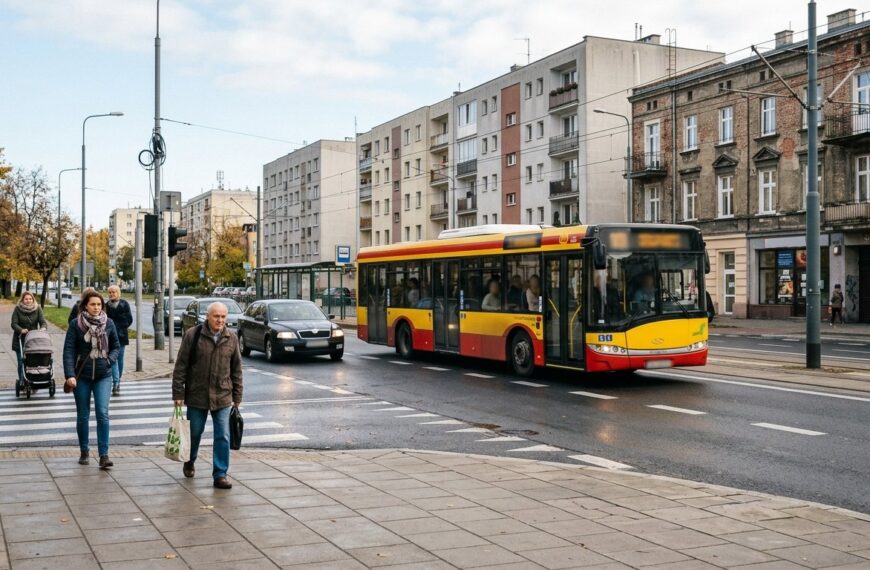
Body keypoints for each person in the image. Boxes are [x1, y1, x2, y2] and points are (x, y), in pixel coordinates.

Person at [172, 302, 243, 490]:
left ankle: (220, 474)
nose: (220, 320)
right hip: (197, 394)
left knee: (223, 435)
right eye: (216, 316)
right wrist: (178, 393)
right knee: (195, 433)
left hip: (223, 395)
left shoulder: (232, 338)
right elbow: (181, 367)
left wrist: (237, 397)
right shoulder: (193, 335)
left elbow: (236, 370)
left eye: (223, 317)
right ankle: (190, 460)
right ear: (208, 316)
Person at [63, 290, 120, 469]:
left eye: (99, 304)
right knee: (83, 415)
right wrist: (70, 375)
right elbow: (69, 351)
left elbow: (116, 346)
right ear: (85, 306)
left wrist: (109, 360)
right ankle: (84, 450)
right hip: (82, 376)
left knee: (102, 413)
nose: (96, 308)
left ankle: (104, 455)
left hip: (104, 375)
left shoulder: (108, 323)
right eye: (92, 304)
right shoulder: (76, 324)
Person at [11, 291, 47, 387]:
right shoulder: (17, 309)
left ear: (33, 299)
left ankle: (32, 378)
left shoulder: (37, 308)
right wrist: (21, 330)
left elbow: (43, 322)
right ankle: (22, 380)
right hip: (20, 339)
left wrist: (43, 328)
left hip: (33, 340)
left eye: (30, 299)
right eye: (26, 299)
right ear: (22, 300)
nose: (28, 301)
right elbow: (13, 323)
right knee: (21, 361)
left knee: (33, 362)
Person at [105, 285, 133, 396]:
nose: (111, 294)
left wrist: (120, 326)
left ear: (118, 293)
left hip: (121, 336)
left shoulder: (124, 304)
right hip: (110, 337)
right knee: (114, 359)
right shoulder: (106, 306)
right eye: (110, 292)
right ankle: (116, 383)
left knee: (120, 359)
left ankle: (118, 380)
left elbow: (129, 319)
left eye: (113, 292)